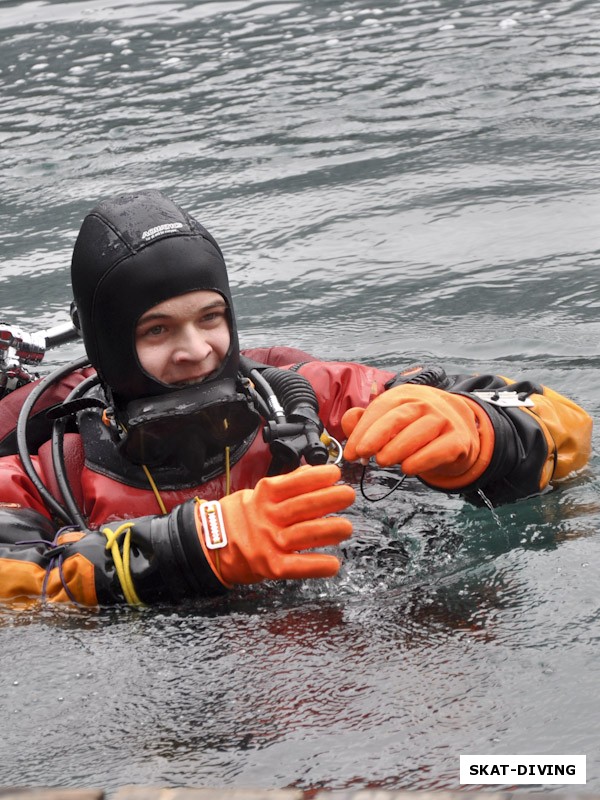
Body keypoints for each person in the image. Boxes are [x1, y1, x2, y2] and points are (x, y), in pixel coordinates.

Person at [0, 190, 592, 607]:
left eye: (211, 318)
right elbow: (16, 584)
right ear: (106, 342)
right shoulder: (50, 472)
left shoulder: (310, 394)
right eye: (157, 330)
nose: (196, 350)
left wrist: (483, 430)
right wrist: (191, 546)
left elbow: (567, 424)